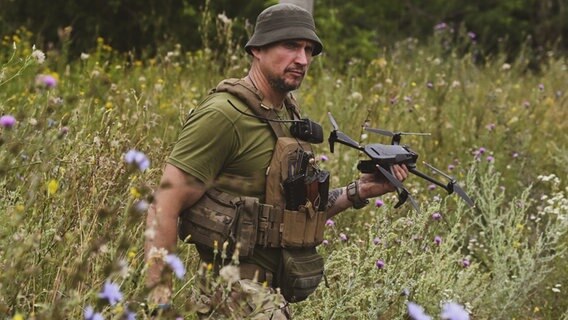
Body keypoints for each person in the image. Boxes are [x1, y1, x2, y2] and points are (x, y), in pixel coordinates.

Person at [144, 2, 408, 317]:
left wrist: (359, 191)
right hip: (232, 295)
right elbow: (163, 206)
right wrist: (159, 305)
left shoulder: (287, 115)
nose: (302, 59)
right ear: (257, 49)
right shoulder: (224, 115)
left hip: (269, 296)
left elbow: (292, 220)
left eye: (309, 50)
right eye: (291, 45)